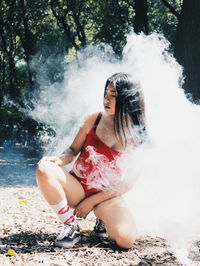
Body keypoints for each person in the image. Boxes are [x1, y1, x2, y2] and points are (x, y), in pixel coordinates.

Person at [36, 72, 146, 249]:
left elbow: (126, 184)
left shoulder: (138, 136)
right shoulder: (94, 119)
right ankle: (70, 226)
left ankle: (102, 219)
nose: (106, 100)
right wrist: (59, 161)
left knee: (126, 241)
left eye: (113, 95)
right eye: (105, 93)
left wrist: (92, 202)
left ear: (128, 99)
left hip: (106, 196)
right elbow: (73, 150)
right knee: (44, 168)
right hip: (78, 188)